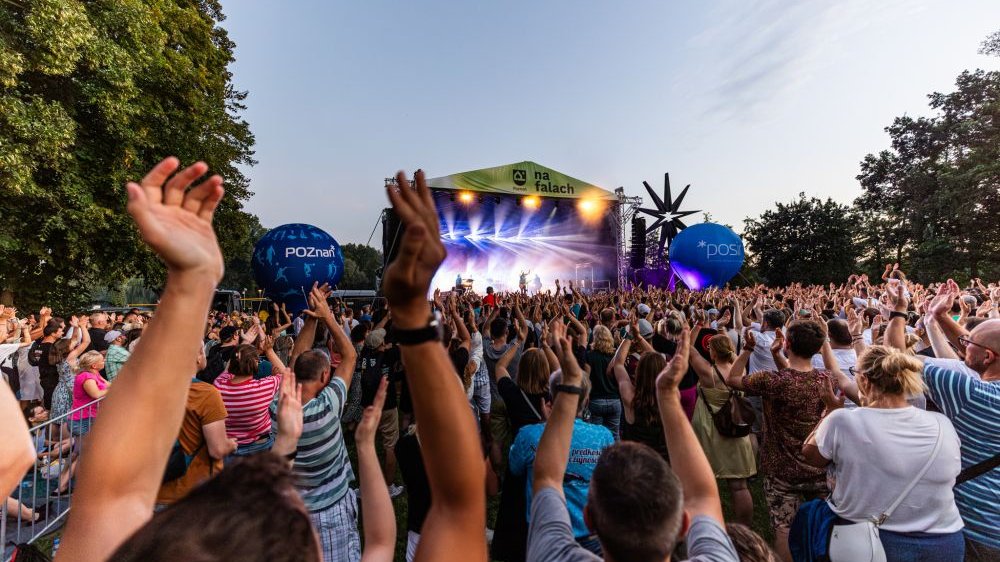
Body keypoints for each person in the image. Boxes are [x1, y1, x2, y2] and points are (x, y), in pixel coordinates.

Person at [526, 324, 739, 561]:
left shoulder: (555, 557)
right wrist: (667, 394)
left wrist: (570, 385)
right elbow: (703, 496)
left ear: (590, 520)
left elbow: (546, 477)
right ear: (683, 522)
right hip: (665, 471)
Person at [801, 345, 965, 560]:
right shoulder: (942, 423)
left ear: (865, 380)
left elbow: (810, 455)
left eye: (855, 373)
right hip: (945, 541)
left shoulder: (842, 420)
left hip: (871, 540)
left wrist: (830, 410)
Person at [884, 282, 1000, 561]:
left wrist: (899, 311)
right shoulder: (979, 379)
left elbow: (895, 357)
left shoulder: (970, 393)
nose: (962, 344)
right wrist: (940, 316)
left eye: (967, 342)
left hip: (980, 528)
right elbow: (981, 349)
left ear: (987, 357)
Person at [727, 320, 838, 562]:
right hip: (818, 467)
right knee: (825, 527)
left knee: (784, 529)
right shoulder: (827, 379)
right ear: (818, 348)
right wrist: (778, 355)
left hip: (781, 470)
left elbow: (732, 379)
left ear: (787, 344)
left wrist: (747, 348)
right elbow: (796, 376)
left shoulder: (773, 381)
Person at [509, 361, 611, 555]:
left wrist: (546, 427)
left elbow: (515, 468)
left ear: (551, 397)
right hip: (592, 536)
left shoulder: (529, 435)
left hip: (546, 537)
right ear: (586, 400)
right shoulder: (603, 436)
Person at [688, 334, 756, 526]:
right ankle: (744, 529)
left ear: (714, 352)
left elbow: (690, 352)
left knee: (704, 485)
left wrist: (694, 327)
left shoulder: (709, 373)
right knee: (739, 487)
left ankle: (708, 525)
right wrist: (746, 351)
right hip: (736, 430)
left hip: (710, 433)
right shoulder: (739, 372)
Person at [156, 347, 237, 506]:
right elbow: (218, 449)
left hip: (151, 489)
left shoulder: (150, 389)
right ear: (198, 357)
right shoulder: (206, 393)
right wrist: (231, 445)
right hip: (191, 492)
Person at [214, 337, 286, 461]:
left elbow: (228, 370)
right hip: (261, 447)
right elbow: (286, 375)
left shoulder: (219, 385)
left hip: (230, 449)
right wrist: (269, 351)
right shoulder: (265, 387)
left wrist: (245, 345)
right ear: (256, 364)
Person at [612, 333, 669, 461]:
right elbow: (659, 362)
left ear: (638, 372)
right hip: (661, 465)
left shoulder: (630, 398)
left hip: (634, 463)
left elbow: (618, 364)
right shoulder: (669, 399)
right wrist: (639, 337)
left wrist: (630, 336)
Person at [585, 325, 620, 440]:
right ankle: (617, 457)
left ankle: (598, 458)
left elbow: (586, 379)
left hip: (596, 401)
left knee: (596, 437)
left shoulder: (589, 356)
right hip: (614, 400)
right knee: (614, 435)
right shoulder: (615, 357)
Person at [27, 317, 66, 409]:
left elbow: (36, 361)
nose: (62, 333)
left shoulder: (38, 345)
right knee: (52, 406)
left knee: (48, 402)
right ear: (53, 333)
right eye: (60, 331)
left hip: (44, 379)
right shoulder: (52, 348)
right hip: (53, 380)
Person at [70, 351, 110, 437]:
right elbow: (96, 394)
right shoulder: (87, 376)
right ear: (94, 365)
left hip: (90, 416)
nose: (105, 361)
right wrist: (112, 390)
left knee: (80, 448)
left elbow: (109, 385)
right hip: (82, 420)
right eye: (102, 360)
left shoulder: (95, 374)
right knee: (88, 448)